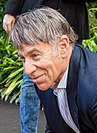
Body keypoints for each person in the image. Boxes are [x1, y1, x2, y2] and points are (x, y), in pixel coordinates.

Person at [3, 0, 96, 133]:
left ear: (63, 46)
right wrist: (10, 11)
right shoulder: (46, 77)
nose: (28, 70)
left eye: (35, 55)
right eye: (23, 58)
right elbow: (54, 128)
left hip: (71, 16)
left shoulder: (92, 88)